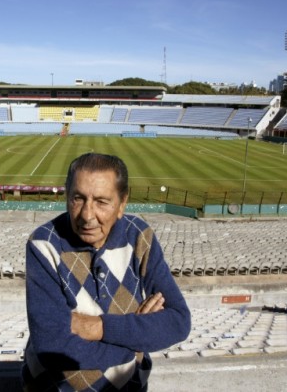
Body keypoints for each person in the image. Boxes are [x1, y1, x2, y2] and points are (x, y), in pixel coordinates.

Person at [22, 153, 191, 391]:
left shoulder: (139, 235)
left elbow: (179, 322)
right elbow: (52, 347)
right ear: (66, 196)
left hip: (130, 386)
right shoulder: (43, 244)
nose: (87, 215)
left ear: (122, 204)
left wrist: (97, 327)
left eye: (101, 202)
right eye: (78, 199)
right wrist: (136, 342)